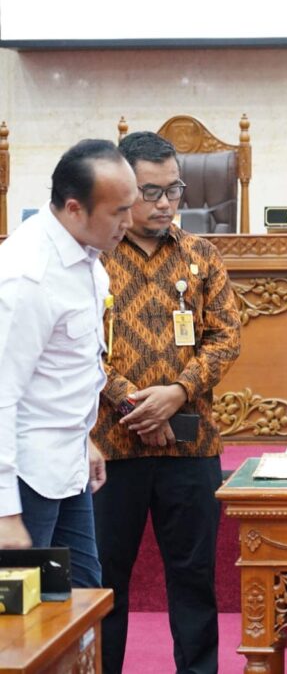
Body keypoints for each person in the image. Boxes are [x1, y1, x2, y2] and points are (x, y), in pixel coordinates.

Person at [90, 131, 241, 674]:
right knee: (105, 583)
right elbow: (79, 347)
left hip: (191, 444)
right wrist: (136, 406)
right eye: (149, 191)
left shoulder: (202, 254)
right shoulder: (94, 257)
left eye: (173, 190)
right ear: (122, 187)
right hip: (110, 450)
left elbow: (227, 337)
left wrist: (175, 395)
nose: (163, 203)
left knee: (194, 579)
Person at [0, 140, 136, 584]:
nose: (128, 222)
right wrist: (4, 511)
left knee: (83, 600)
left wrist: (85, 439)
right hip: (24, 479)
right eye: (118, 212)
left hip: (67, 465)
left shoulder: (86, 255)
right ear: (75, 208)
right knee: (24, 628)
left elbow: (66, 371)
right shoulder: (28, 276)